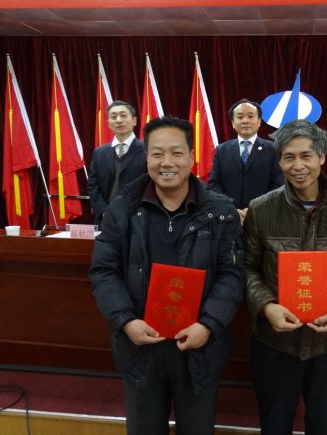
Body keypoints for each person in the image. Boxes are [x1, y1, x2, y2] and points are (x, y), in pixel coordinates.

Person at [90, 115, 245, 435]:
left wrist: (208, 325)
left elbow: (232, 275)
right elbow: (104, 271)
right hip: (140, 345)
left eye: (176, 153)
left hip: (200, 347)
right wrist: (125, 321)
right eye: (157, 154)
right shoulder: (122, 208)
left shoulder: (221, 211)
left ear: (192, 156)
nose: (167, 162)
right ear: (146, 158)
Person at [243, 120, 327, 435]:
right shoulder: (261, 209)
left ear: (322, 157)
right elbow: (246, 267)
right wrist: (266, 306)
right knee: (274, 424)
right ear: (279, 161)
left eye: (306, 156)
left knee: (323, 424)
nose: (298, 166)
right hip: (275, 341)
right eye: (288, 157)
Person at [208, 98, 284, 223]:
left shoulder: (272, 149)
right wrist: (231, 209)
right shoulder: (222, 150)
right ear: (233, 123)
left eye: (250, 116)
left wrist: (255, 208)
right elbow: (214, 185)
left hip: (263, 219)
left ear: (259, 122)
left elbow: (278, 185)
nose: (245, 121)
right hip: (228, 219)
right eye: (240, 117)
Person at [87, 100, 147, 226]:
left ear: (134, 121)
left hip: (137, 219)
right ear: (109, 123)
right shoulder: (99, 152)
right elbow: (93, 185)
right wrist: (103, 211)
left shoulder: (147, 150)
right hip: (106, 220)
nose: (118, 120)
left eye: (123, 115)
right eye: (113, 117)